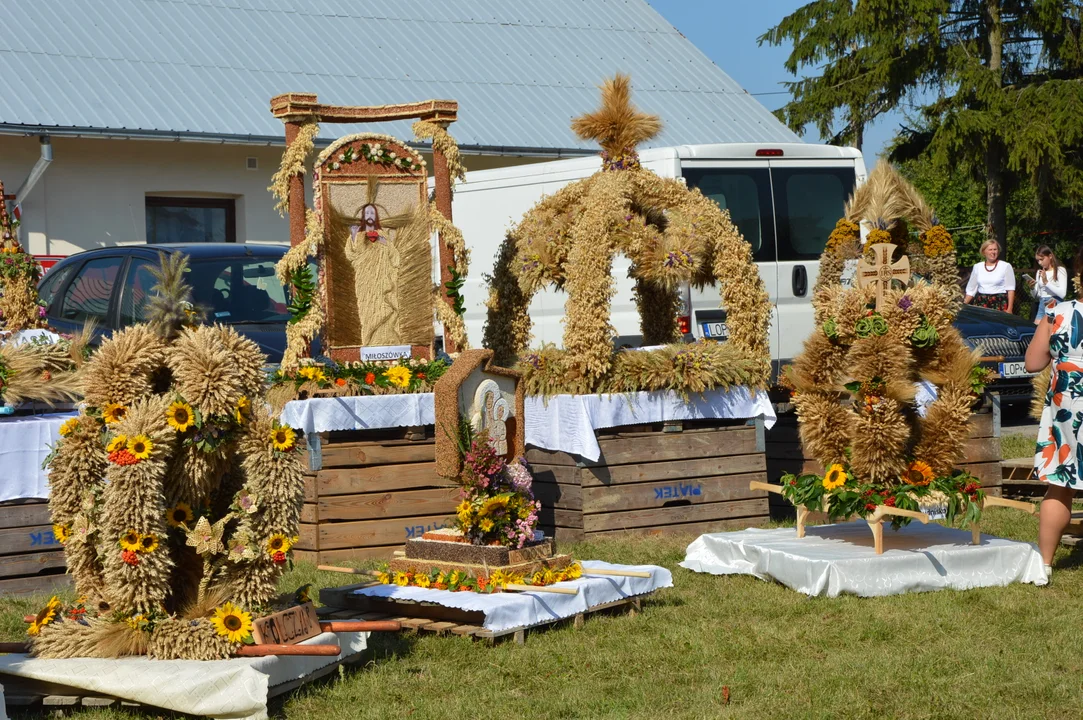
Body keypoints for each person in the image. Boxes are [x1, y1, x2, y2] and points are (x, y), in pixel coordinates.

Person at [1025, 244, 1083, 576]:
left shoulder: (1057, 312)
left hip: (1068, 403)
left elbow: (1033, 362)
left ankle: (1045, 565)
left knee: (1061, 484)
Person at [963, 240, 1015, 313]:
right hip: (981, 303)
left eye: (995, 249)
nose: (993, 252)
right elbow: (971, 290)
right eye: (990, 250)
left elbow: (1011, 289)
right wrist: (962, 306)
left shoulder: (1005, 266)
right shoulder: (977, 267)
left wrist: (1010, 309)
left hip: (999, 303)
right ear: (984, 252)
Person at [1025, 245, 1067, 324]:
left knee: (1054, 330)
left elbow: (1063, 294)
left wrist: (1046, 282)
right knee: (1037, 330)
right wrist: (1032, 288)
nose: (1040, 263)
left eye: (1042, 259)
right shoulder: (1039, 272)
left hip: (1055, 303)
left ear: (1050, 256)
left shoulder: (1060, 270)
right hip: (1042, 303)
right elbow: (1037, 296)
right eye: (1038, 260)